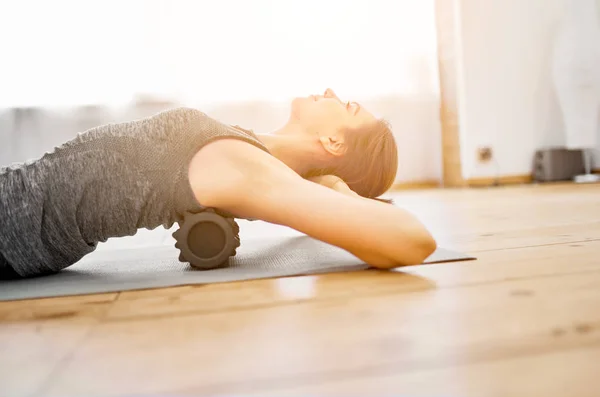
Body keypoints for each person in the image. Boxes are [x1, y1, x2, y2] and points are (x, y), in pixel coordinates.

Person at [0, 88, 436, 279]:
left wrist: (335, 190)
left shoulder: (250, 171)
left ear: (334, 141)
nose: (330, 90)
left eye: (349, 105)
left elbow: (415, 241)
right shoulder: (248, 148)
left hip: (13, 224)